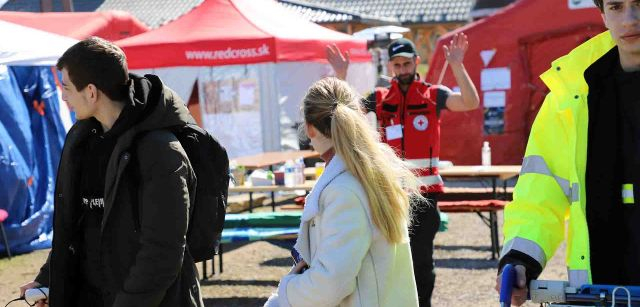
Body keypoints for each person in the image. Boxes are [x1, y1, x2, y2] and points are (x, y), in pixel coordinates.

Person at [18, 37, 203, 306]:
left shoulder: (161, 151)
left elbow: (162, 251)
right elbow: (75, 225)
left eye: (66, 87)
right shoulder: (83, 141)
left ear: (91, 92)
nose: (63, 96)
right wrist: (49, 280)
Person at [495, 0, 640, 305]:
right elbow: (541, 190)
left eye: (639, 4)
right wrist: (522, 257)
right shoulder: (570, 95)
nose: (630, 19)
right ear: (602, 14)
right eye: (616, 6)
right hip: (599, 288)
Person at [327, 34, 479, 306]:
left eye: (406, 64)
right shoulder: (380, 98)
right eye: (396, 65)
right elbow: (344, 113)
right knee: (389, 260)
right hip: (391, 196)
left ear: (416, 63)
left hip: (425, 197)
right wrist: (340, 75)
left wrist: (457, 65)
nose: (402, 70)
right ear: (390, 67)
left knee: (421, 263)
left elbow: (470, 102)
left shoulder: (434, 95)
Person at [264, 77, 421, 307]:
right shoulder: (371, 172)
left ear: (309, 129)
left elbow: (330, 284)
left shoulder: (343, 191)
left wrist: (285, 294)